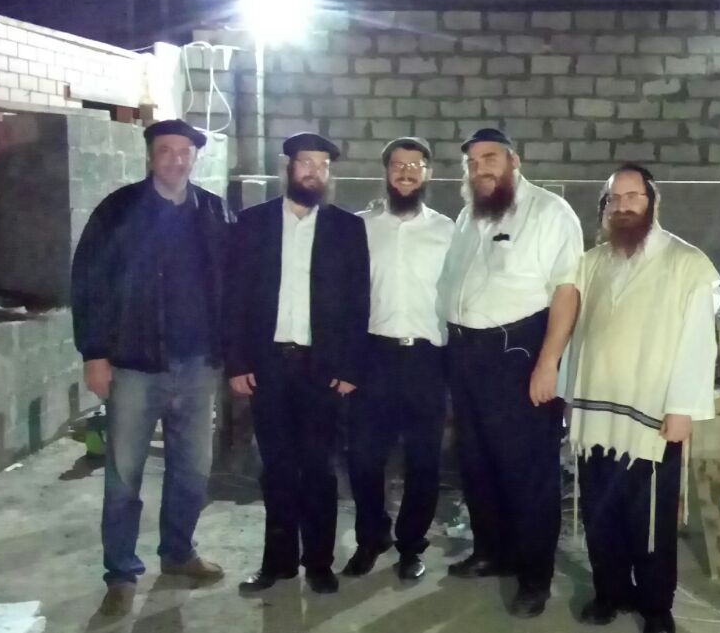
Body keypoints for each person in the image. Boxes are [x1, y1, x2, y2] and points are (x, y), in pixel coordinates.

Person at [71, 119, 230, 618]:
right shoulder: (118, 211)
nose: (176, 160)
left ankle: (178, 553)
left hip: (198, 365)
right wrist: (94, 353)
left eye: (184, 152)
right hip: (135, 365)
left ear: (194, 157)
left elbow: (234, 284)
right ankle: (121, 574)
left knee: (192, 470)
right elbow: (88, 282)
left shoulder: (215, 212)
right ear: (150, 156)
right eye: (166, 150)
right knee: (124, 476)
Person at [563, 163, 720, 633]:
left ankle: (655, 606)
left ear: (652, 203)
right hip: (595, 415)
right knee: (600, 511)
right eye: (614, 198)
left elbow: (698, 342)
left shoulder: (687, 263)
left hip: (651, 417)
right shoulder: (592, 263)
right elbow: (575, 334)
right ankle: (609, 591)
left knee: (649, 518)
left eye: (634, 196)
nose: (624, 206)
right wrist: (568, 396)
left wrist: (683, 408)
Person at [439, 128, 583, 618]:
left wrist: (549, 364)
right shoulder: (469, 215)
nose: (480, 167)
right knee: (477, 462)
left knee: (528, 472)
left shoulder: (549, 212)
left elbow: (567, 292)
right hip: (466, 355)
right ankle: (492, 551)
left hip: (519, 356)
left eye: (490, 157)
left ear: (513, 160)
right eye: (472, 161)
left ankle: (533, 578)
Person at [224, 132, 369, 595]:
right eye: (306, 162)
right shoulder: (253, 223)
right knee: (277, 468)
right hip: (269, 365)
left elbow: (358, 303)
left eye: (322, 165)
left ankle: (319, 562)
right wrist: (237, 361)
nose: (314, 172)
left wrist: (350, 368)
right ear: (288, 167)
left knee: (320, 469)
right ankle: (278, 562)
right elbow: (235, 297)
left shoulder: (347, 228)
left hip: (321, 368)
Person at [343, 137, 455, 581]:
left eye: (415, 165)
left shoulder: (447, 230)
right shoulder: (360, 227)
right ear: (386, 172)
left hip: (427, 359)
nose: (406, 172)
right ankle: (372, 537)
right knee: (364, 458)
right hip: (373, 357)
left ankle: (412, 545)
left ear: (428, 173)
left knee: (423, 461)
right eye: (398, 165)